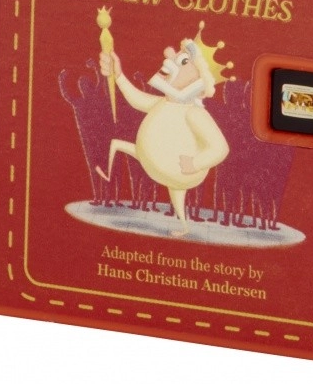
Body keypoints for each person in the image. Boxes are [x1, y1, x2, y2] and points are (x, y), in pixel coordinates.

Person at [96, 23, 232, 236]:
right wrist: (118, 75)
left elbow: (220, 148)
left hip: (181, 172)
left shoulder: (194, 113)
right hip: (149, 160)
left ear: (200, 78)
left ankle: (184, 224)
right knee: (116, 144)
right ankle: (107, 175)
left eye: (184, 61)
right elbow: (136, 99)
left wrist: (195, 163)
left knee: (176, 191)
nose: (170, 60)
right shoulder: (164, 103)